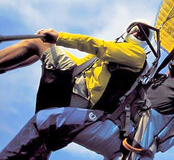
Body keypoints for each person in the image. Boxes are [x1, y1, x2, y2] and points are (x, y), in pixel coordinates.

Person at [0, 16, 174, 159]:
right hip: (114, 129)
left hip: (124, 141)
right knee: (50, 125)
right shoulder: (153, 79)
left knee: (47, 120)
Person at [0, 19, 153, 113]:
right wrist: (53, 44)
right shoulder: (117, 51)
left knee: (37, 42)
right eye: (136, 30)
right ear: (128, 30)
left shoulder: (137, 54)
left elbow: (99, 47)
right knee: (43, 46)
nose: (139, 34)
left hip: (81, 95)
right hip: (78, 86)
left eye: (144, 34)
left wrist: (60, 37)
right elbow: (80, 64)